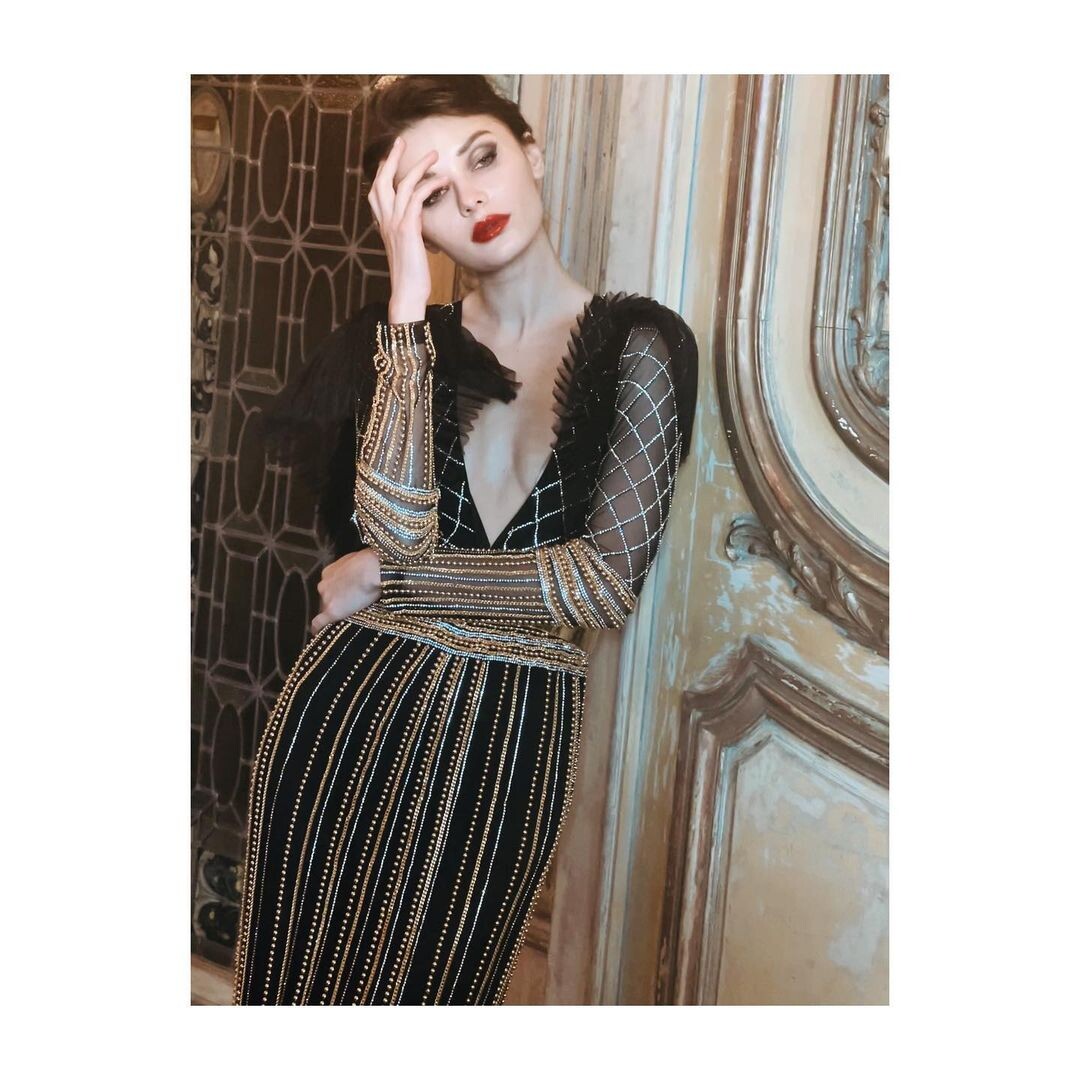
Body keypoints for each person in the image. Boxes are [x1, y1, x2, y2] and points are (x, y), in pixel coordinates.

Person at [231, 74, 698, 1006]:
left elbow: (601, 585)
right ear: (410, 223)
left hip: (505, 745)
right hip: (344, 721)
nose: (474, 198)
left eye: (484, 157)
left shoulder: (640, 345)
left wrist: (390, 582)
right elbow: (395, 532)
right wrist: (408, 305)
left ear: (533, 151)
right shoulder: (400, 343)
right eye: (432, 193)